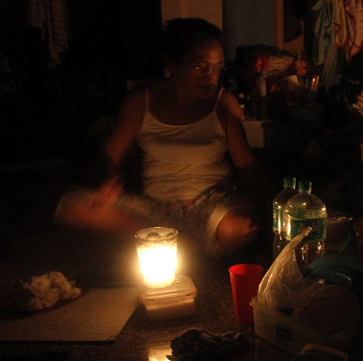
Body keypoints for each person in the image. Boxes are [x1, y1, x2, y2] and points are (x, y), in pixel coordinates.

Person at [56, 18, 273, 254]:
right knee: (72, 206)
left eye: (216, 67)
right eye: (199, 66)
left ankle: (167, 245)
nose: (210, 76)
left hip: (211, 205)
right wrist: (107, 182)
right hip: (154, 208)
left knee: (240, 228)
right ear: (172, 63)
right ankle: (186, 245)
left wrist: (273, 205)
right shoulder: (141, 100)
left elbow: (245, 162)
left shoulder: (224, 103)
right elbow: (109, 154)